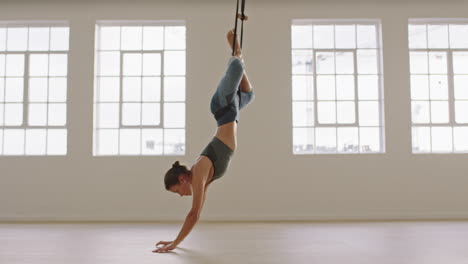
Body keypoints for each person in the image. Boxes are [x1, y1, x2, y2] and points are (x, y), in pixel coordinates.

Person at [153, 29, 254, 253]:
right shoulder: (202, 178)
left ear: (182, 178)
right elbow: (197, 212)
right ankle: (236, 49)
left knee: (237, 67)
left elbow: (193, 213)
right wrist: (174, 241)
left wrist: (174, 244)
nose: (181, 195)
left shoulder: (199, 170)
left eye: (177, 190)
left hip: (222, 107)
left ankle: (233, 47)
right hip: (231, 111)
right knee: (249, 94)